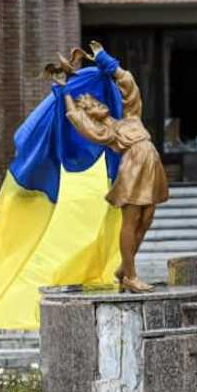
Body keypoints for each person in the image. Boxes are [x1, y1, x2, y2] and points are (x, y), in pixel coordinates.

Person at [50, 41, 168, 292]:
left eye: (96, 100)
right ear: (91, 114)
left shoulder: (130, 117)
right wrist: (66, 94)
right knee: (131, 219)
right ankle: (131, 275)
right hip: (133, 170)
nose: (97, 103)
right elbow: (78, 120)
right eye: (91, 105)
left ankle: (123, 269)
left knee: (146, 219)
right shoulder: (107, 132)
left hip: (151, 166)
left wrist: (106, 61)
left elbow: (129, 84)